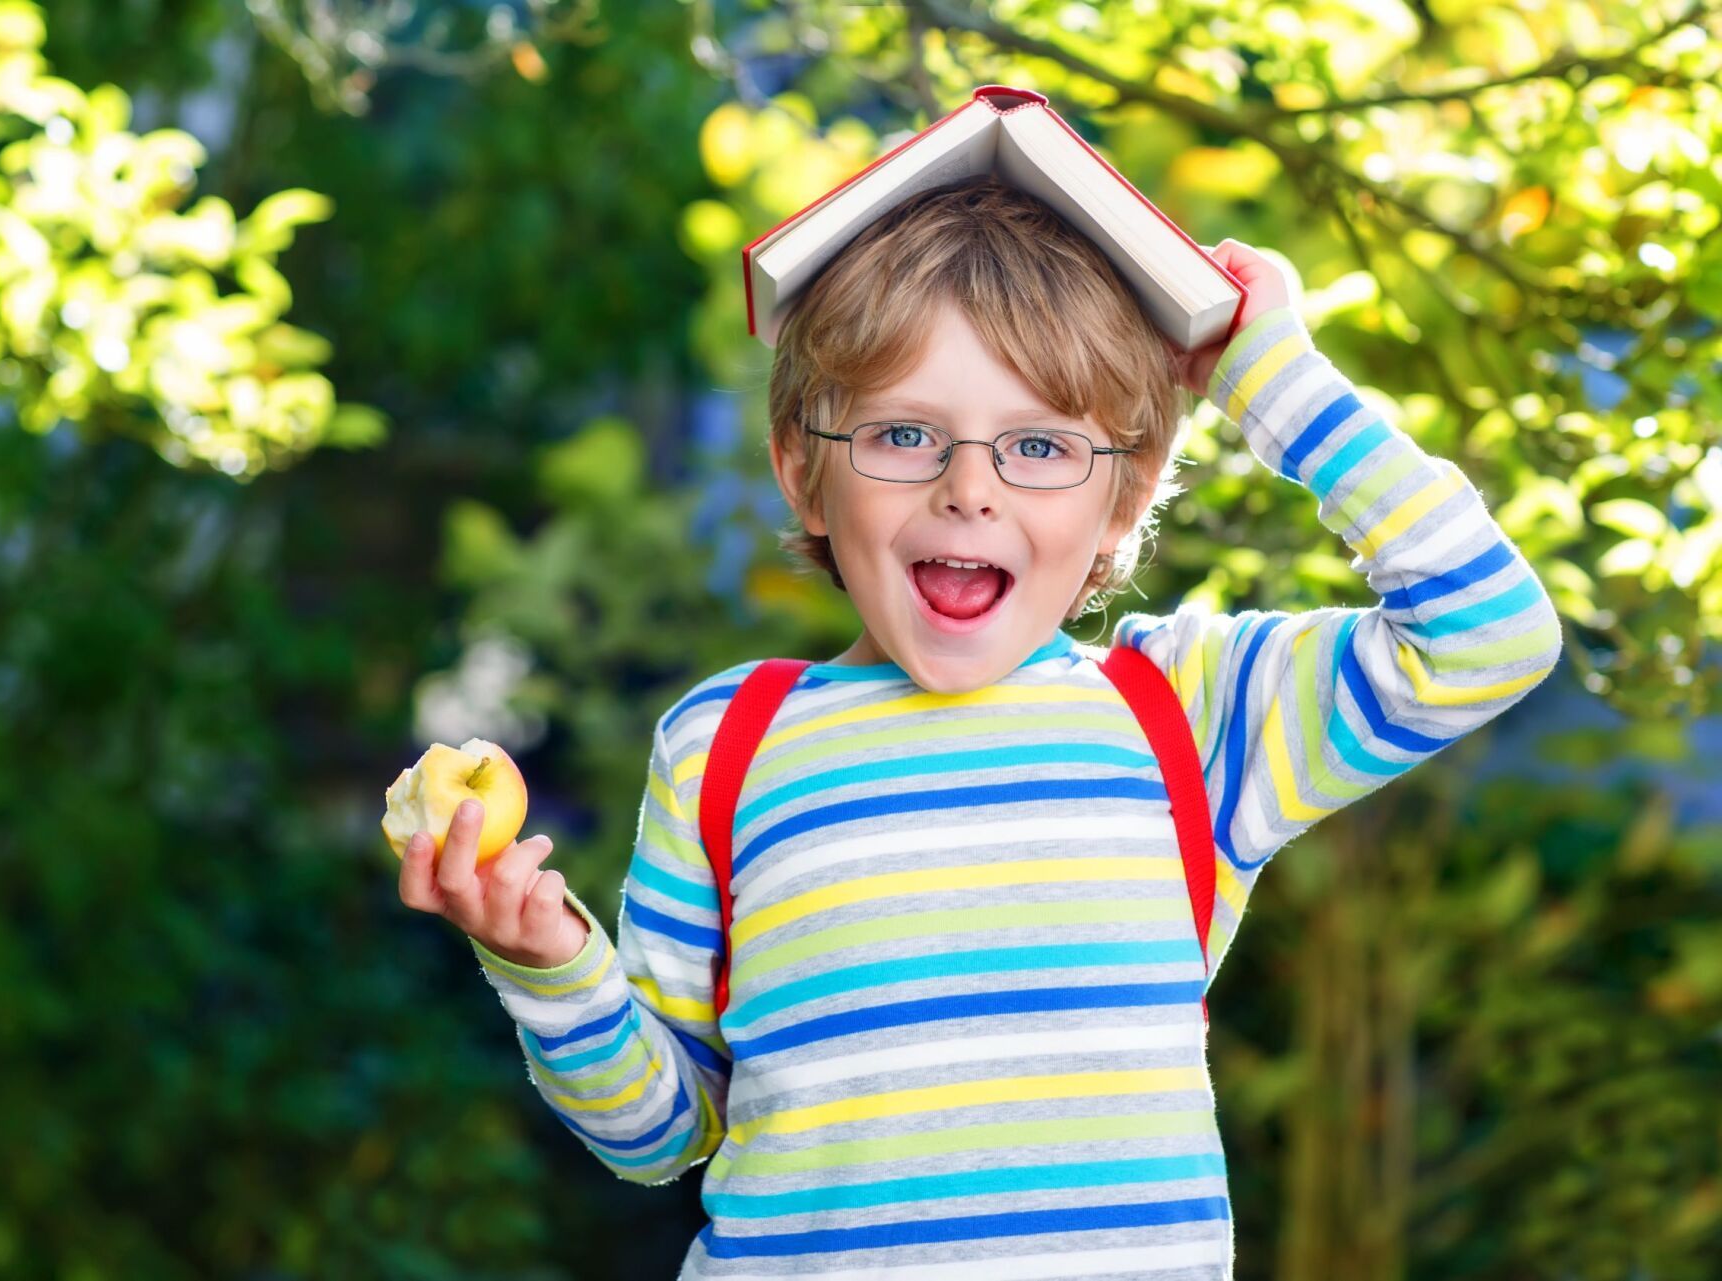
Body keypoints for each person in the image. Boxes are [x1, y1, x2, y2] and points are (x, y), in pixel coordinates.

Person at [398, 174, 1564, 1278]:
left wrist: (1280, 385)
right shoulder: (726, 745)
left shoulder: (1187, 714)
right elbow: (658, 1135)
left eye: (1042, 445)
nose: (971, 488)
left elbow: (1489, 634)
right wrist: (546, 965)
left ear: (1129, 491)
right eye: (904, 435)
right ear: (803, 473)